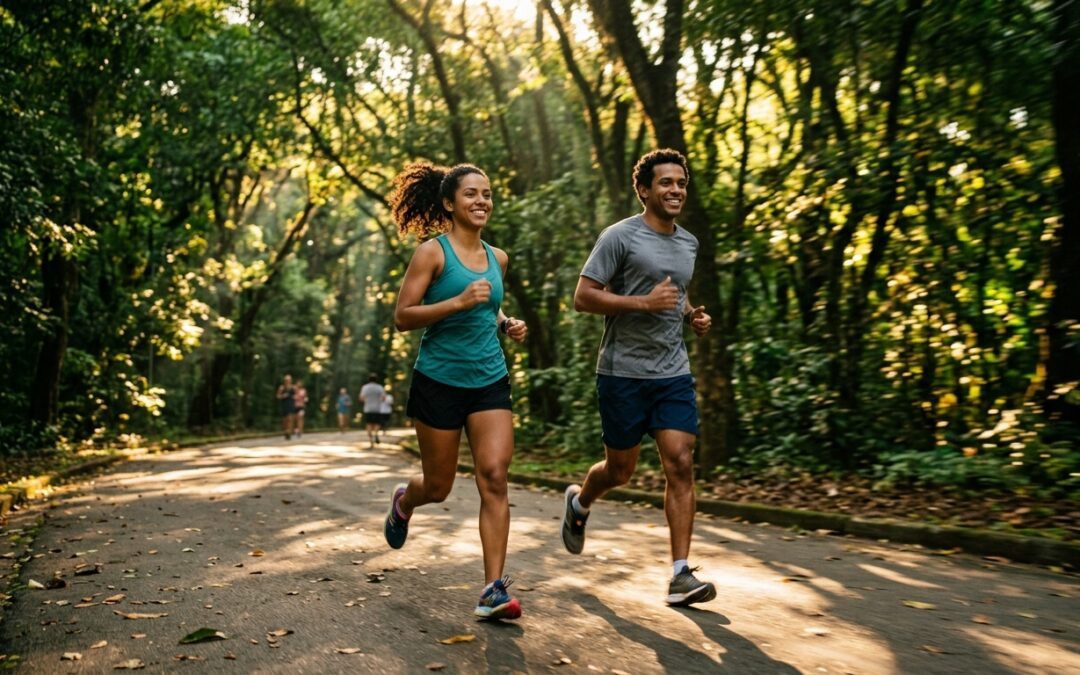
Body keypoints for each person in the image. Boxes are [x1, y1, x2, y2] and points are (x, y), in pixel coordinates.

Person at [562, 149, 716, 608]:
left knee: (681, 461)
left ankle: (680, 575)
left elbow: (677, 291)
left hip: (672, 371)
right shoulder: (619, 237)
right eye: (665, 183)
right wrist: (641, 304)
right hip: (622, 373)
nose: (675, 190)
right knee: (620, 470)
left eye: (681, 183)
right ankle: (580, 502)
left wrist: (690, 316)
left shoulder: (688, 242)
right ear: (644, 190)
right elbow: (584, 297)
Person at [383, 161, 528, 621]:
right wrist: (457, 302)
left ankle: (492, 590)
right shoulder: (433, 253)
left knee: (494, 476)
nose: (482, 201)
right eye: (471, 193)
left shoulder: (498, 257)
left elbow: (488, 310)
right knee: (439, 486)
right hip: (439, 381)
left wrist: (507, 324)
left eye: (487, 193)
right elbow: (404, 316)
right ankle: (405, 501)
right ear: (449, 202)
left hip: (488, 380)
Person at [359, 374, 386, 447]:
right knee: (377, 423)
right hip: (377, 409)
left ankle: (371, 441)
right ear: (376, 379)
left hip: (368, 409)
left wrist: (366, 401)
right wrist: (378, 400)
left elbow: (361, 398)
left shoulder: (365, 387)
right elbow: (383, 398)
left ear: (369, 379)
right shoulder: (379, 387)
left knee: (369, 424)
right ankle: (376, 434)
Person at [276, 374, 297, 440]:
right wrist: (283, 396)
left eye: (289, 380)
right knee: (285, 420)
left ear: (291, 380)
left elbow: (297, 395)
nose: (288, 381)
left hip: (291, 404)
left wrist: (295, 397)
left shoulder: (293, 387)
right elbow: (278, 396)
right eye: (286, 380)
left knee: (290, 418)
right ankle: (286, 431)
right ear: (284, 380)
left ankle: (289, 432)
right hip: (284, 404)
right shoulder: (282, 387)